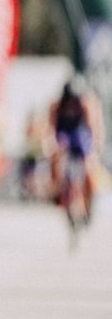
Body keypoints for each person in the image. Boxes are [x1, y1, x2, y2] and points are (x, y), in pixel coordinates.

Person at [48, 76, 106, 221]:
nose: (72, 105)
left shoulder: (87, 104)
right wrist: (51, 145)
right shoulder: (56, 106)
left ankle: (89, 200)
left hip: (80, 133)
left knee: (89, 167)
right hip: (64, 132)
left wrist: (94, 149)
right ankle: (56, 188)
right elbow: (50, 129)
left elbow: (95, 128)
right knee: (54, 155)